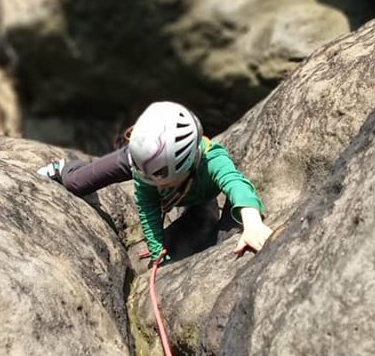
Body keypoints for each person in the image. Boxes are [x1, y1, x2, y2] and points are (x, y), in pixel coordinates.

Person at [37, 101, 272, 263]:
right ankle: (65, 167)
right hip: (137, 158)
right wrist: (156, 247)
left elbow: (237, 184)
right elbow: (147, 204)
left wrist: (252, 224)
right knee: (76, 184)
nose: (157, 186)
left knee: (200, 214)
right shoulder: (144, 171)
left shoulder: (213, 160)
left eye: (163, 181)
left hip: (168, 173)